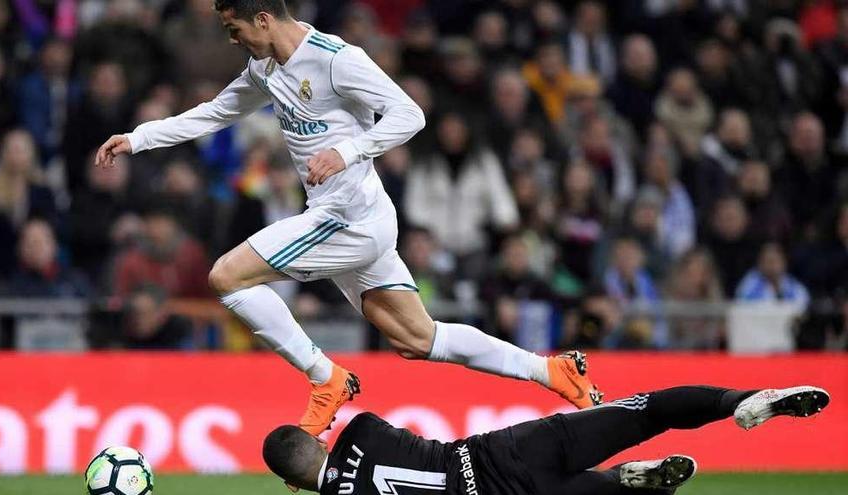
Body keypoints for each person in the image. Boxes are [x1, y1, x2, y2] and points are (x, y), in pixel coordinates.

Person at [95, 0, 602, 436]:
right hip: (350, 218)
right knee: (417, 339)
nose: (232, 40)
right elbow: (214, 113)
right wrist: (139, 137)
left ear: (264, 19)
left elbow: (410, 114)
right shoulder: (265, 69)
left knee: (226, 276)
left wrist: (349, 151)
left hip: (349, 219)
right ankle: (552, 371)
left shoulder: (338, 60)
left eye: (235, 28)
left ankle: (325, 379)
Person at [263, 385, 830, 494]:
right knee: (642, 413)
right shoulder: (360, 428)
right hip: (500, 451)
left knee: (606, 494)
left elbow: (333, 479)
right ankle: (742, 402)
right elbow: (342, 444)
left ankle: (621, 484)